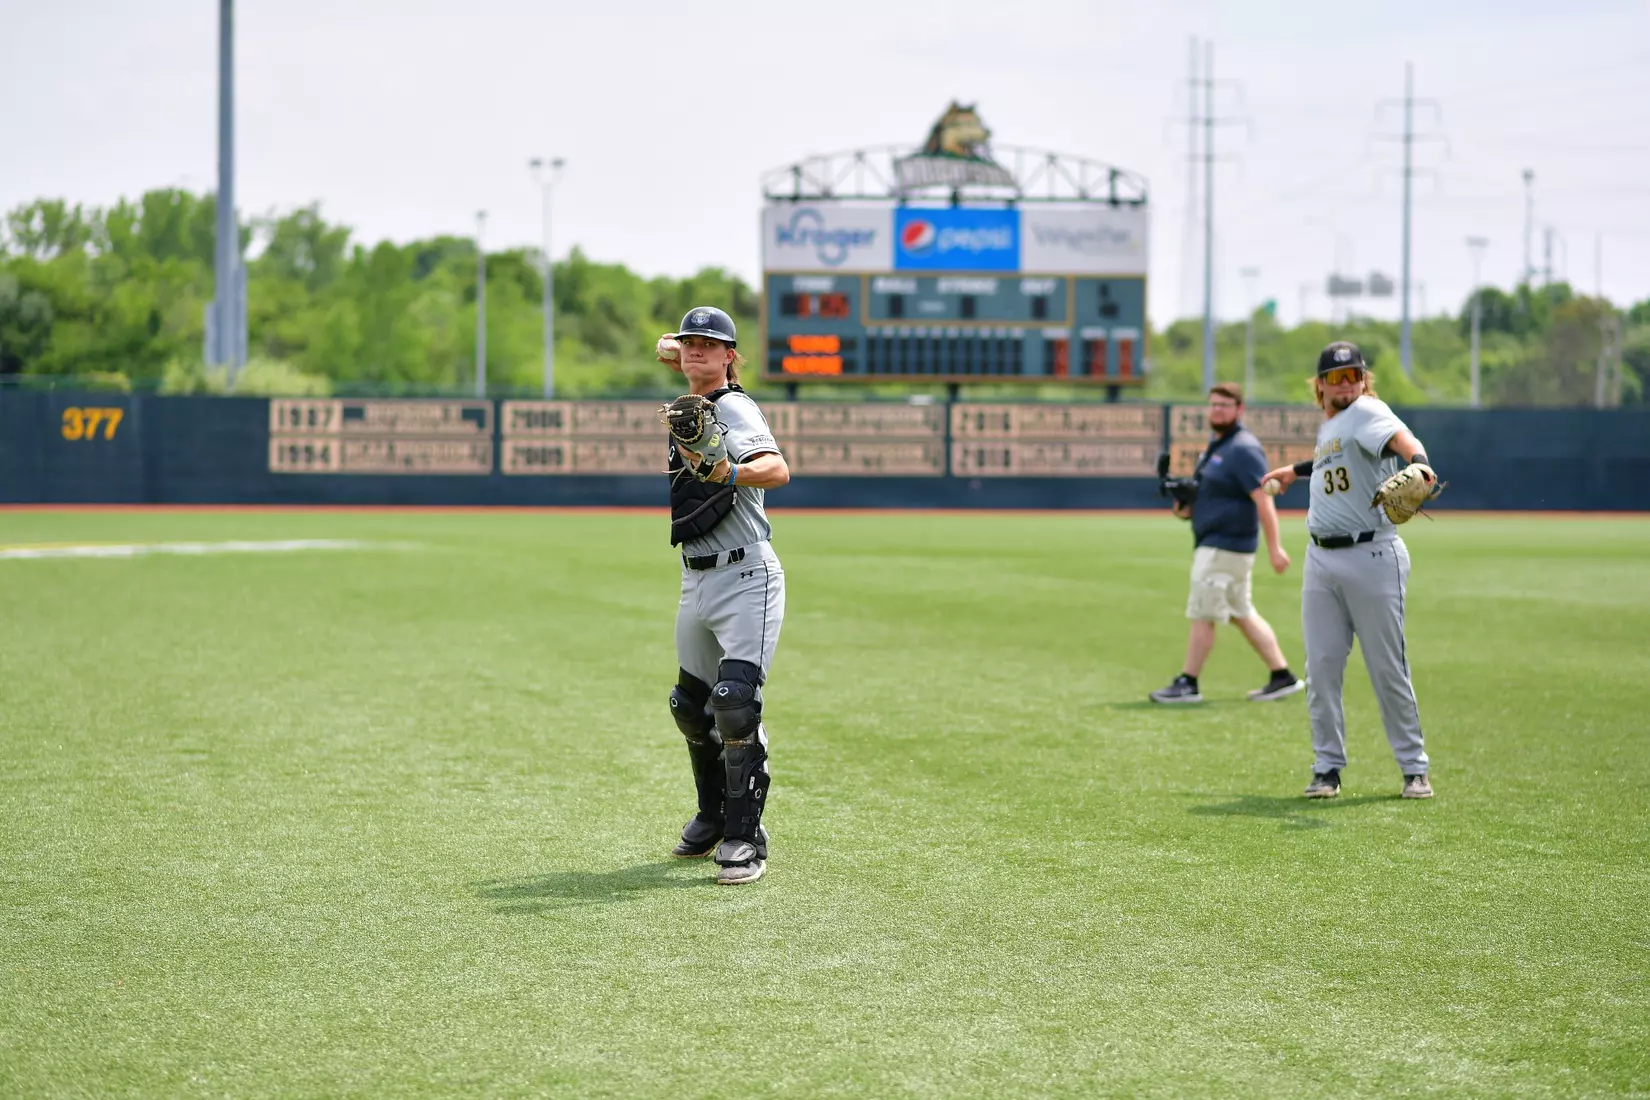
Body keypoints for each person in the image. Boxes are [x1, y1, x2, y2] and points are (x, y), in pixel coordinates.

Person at [1261, 341, 1435, 800]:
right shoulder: (1333, 426)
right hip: (1321, 559)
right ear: (1320, 386)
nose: (1347, 384)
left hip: (1371, 556)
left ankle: (1414, 768)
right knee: (1320, 669)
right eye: (1336, 378)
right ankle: (1327, 768)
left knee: (1387, 669)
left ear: (1363, 379)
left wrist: (1418, 463)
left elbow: (1402, 439)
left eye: (1353, 375)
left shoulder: (1367, 411)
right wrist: (1291, 472)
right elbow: (1328, 460)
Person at [656, 306, 790, 884]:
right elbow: (682, 352)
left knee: (734, 701)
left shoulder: (733, 406)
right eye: (690, 343)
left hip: (746, 576)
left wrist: (726, 473)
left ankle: (745, 835)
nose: (696, 350)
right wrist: (677, 349)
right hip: (696, 575)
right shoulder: (696, 388)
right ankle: (712, 816)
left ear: (732, 355)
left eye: (711, 345)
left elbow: (777, 470)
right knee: (691, 705)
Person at [1150, 383, 1304, 705]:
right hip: (1219, 542)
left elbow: (1264, 498)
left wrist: (1275, 547)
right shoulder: (1217, 446)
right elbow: (1210, 499)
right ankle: (1282, 676)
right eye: (1213, 404)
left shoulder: (1242, 448)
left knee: (1204, 612)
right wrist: (1185, 506)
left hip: (1226, 546)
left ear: (1239, 409)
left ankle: (1188, 682)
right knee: (1241, 612)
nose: (1217, 410)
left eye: (1224, 404)